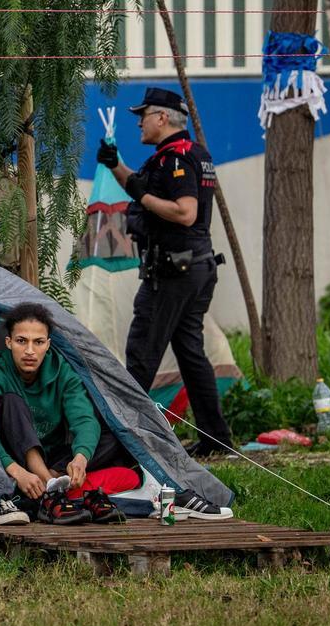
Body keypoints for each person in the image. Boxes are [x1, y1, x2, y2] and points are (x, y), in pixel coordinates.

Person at [96, 86, 236, 461]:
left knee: (141, 355)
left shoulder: (176, 159)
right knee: (191, 353)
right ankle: (216, 439)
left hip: (173, 272)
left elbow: (184, 211)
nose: (139, 121)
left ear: (162, 117)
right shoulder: (189, 154)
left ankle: (122, 445)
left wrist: (141, 196)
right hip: (196, 267)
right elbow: (144, 188)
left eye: (143, 115)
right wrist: (115, 165)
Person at [0, 302, 134, 525]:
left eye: (38, 342)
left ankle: (53, 482)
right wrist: (17, 472)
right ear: (8, 343)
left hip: (53, 456)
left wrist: (81, 458)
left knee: (113, 432)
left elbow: (83, 418)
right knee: (11, 402)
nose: (29, 351)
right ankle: (51, 489)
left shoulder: (61, 369)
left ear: (48, 344)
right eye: (21, 341)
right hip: (12, 459)